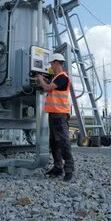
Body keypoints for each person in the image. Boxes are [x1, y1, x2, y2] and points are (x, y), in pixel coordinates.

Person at [37, 53, 74, 182]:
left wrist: (40, 79)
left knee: (63, 142)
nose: (51, 66)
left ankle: (69, 169)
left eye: (52, 64)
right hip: (53, 113)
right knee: (54, 142)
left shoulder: (62, 77)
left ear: (57, 63)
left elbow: (47, 88)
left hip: (60, 113)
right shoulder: (56, 78)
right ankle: (58, 167)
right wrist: (46, 80)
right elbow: (52, 87)